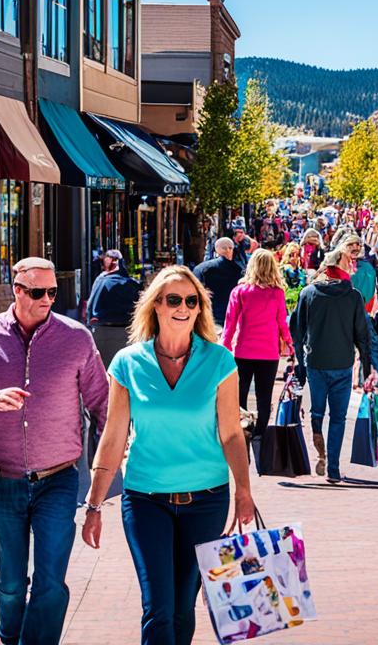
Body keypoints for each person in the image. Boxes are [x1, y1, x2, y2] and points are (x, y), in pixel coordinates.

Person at [81, 266, 255, 645]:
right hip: (145, 500)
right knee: (157, 608)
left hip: (207, 501)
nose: (183, 307)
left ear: (199, 309)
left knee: (181, 609)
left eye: (191, 301)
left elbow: (230, 433)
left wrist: (243, 490)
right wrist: (93, 504)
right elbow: (112, 437)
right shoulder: (128, 363)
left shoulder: (220, 361)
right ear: (155, 305)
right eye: (173, 299)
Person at [0, 257, 108, 645]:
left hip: (59, 479)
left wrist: (115, 454)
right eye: (37, 292)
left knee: (51, 581)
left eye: (53, 291)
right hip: (2, 479)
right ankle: (9, 636)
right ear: (16, 290)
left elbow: (101, 403)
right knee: (11, 582)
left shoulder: (77, 337)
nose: (47, 299)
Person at [289, 249, 372, 484]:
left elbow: (297, 330)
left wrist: (298, 359)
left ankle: (320, 447)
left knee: (317, 412)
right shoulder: (353, 296)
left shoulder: (309, 293)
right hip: (343, 363)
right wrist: (366, 366)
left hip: (316, 362)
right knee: (338, 417)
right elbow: (362, 335)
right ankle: (333, 468)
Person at [222, 249, 295, 438]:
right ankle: (260, 432)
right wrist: (290, 343)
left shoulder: (239, 291)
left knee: (240, 393)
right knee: (264, 395)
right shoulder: (277, 293)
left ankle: (241, 427)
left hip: (243, 350)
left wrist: (225, 347)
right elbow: (281, 322)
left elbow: (229, 324)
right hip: (268, 352)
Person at [338, 233, 378, 393]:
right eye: (352, 245)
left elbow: (371, 293)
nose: (355, 248)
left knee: (370, 349)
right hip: (347, 313)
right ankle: (367, 382)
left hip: (358, 313)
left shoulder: (366, 268)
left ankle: (374, 382)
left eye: (358, 245)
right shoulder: (339, 266)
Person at [86, 249, 141, 366]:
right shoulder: (133, 284)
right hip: (128, 334)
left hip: (102, 332)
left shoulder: (101, 281)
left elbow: (90, 308)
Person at [194, 237, 241, 326]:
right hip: (229, 318)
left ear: (216, 250)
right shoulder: (237, 271)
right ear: (230, 249)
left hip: (206, 317)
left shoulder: (200, 269)